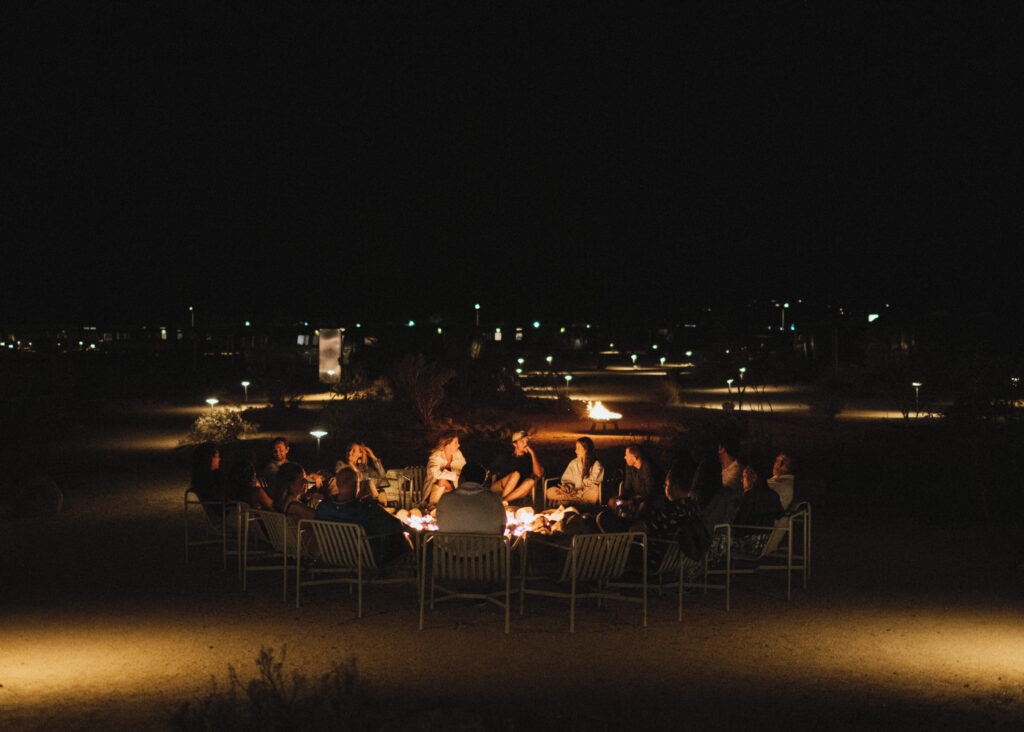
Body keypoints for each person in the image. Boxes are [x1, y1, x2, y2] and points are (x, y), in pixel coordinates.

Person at [316, 467, 410, 565]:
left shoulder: (323, 508)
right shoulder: (364, 509)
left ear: (338, 484)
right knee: (401, 537)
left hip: (334, 558)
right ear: (355, 485)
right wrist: (378, 509)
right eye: (358, 483)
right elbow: (396, 524)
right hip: (366, 560)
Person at [438, 462, 507, 534]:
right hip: (486, 545)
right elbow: (502, 528)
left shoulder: (446, 499)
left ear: (461, 478)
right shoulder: (494, 499)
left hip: (451, 545)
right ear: (482, 481)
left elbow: (441, 525)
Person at [609, 444, 663, 518]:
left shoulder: (648, 468)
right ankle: (618, 521)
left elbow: (649, 493)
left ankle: (635, 524)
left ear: (634, 458)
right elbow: (627, 486)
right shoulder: (629, 466)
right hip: (635, 497)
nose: (624, 457)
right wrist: (621, 498)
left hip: (648, 499)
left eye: (626, 455)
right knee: (612, 502)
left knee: (643, 505)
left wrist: (629, 502)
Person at [546, 436, 604, 505]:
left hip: (586, 493)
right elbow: (568, 481)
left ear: (586, 449)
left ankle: (570, 501)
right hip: (572, 494)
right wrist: (566, 488)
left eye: (578, 448)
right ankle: (575, 501)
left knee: (593, 493)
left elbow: (592, 484)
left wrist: (577, 491)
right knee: (549, 492)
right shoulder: (574, 463)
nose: (575, 451)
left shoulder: (596, 465)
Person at [491, 430, 544, 504]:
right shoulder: (506, 455)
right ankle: (503, 502)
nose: (526, 444)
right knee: (516, 474)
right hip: (501, 485)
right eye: (522, 441)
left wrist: (532, 454)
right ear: (515, 444)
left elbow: (538, 474)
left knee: (531, 481)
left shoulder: (530, 458)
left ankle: (503, 502)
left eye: (527, 441)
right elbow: (493, 471)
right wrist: (492, 486)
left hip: (518, 489)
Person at [422, 431, 466, 509]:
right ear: (447, 445)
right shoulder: (435, 456)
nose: (459, 445)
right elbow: (436, 474)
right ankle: (433, 507)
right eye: (455, 443)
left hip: (452, 488)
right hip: (435, 490)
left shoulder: (458, 454)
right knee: (442, 480)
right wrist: (455, 476)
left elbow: (465, 468)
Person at [190, 442, 227, 519]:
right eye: (217, 456)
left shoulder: (199, 478)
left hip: (222, 508)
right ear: (210, 458)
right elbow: (220, 496)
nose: (219, 459)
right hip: (225, 510)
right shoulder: (209, 479)